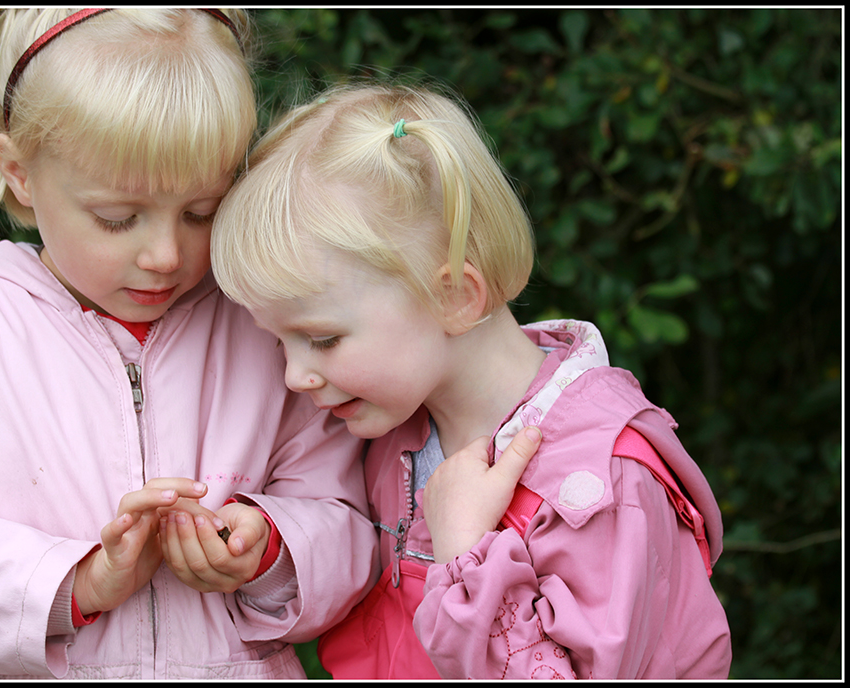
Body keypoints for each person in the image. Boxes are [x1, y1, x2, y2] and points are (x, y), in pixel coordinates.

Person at [0, 9, 381, 680]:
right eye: (118, 218)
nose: (165, 254)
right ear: (21, 175)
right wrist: (76, 583)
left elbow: (352, 525)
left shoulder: (266, 334)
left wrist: (273, 549)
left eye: (201, 212)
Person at [208, 81, 733, 679]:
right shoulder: (396, 433)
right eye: (279, 342)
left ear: (454, 296)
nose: (295, 375)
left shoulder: (603, 483)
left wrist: (466, 557)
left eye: (322, 339)